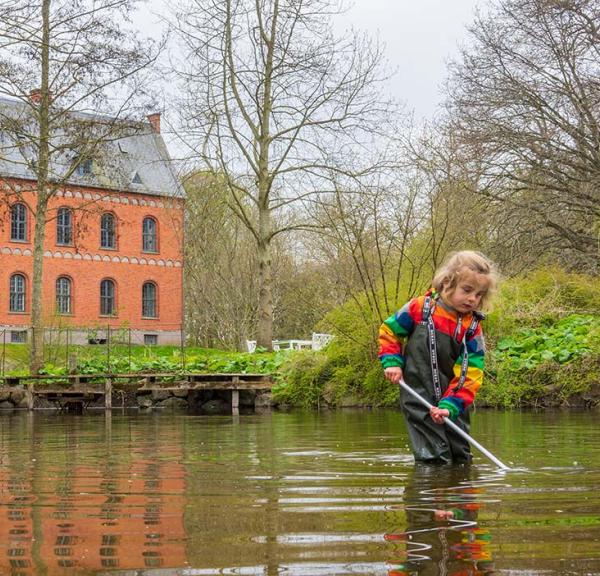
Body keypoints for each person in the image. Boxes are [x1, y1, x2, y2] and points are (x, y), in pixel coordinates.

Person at [378, 251, 498, 464]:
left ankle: (461, 493)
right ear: (446, 284)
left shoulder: (471, 329)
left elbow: (471, 372)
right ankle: (430, 493)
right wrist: (392, 362)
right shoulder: (419, 308)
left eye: (479, 295)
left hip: (454, 400)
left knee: (460, 454)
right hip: (418, 396)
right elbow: (390, 330)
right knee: (433, 456)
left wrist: (450, 405)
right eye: (467, 290)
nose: (472, 299)